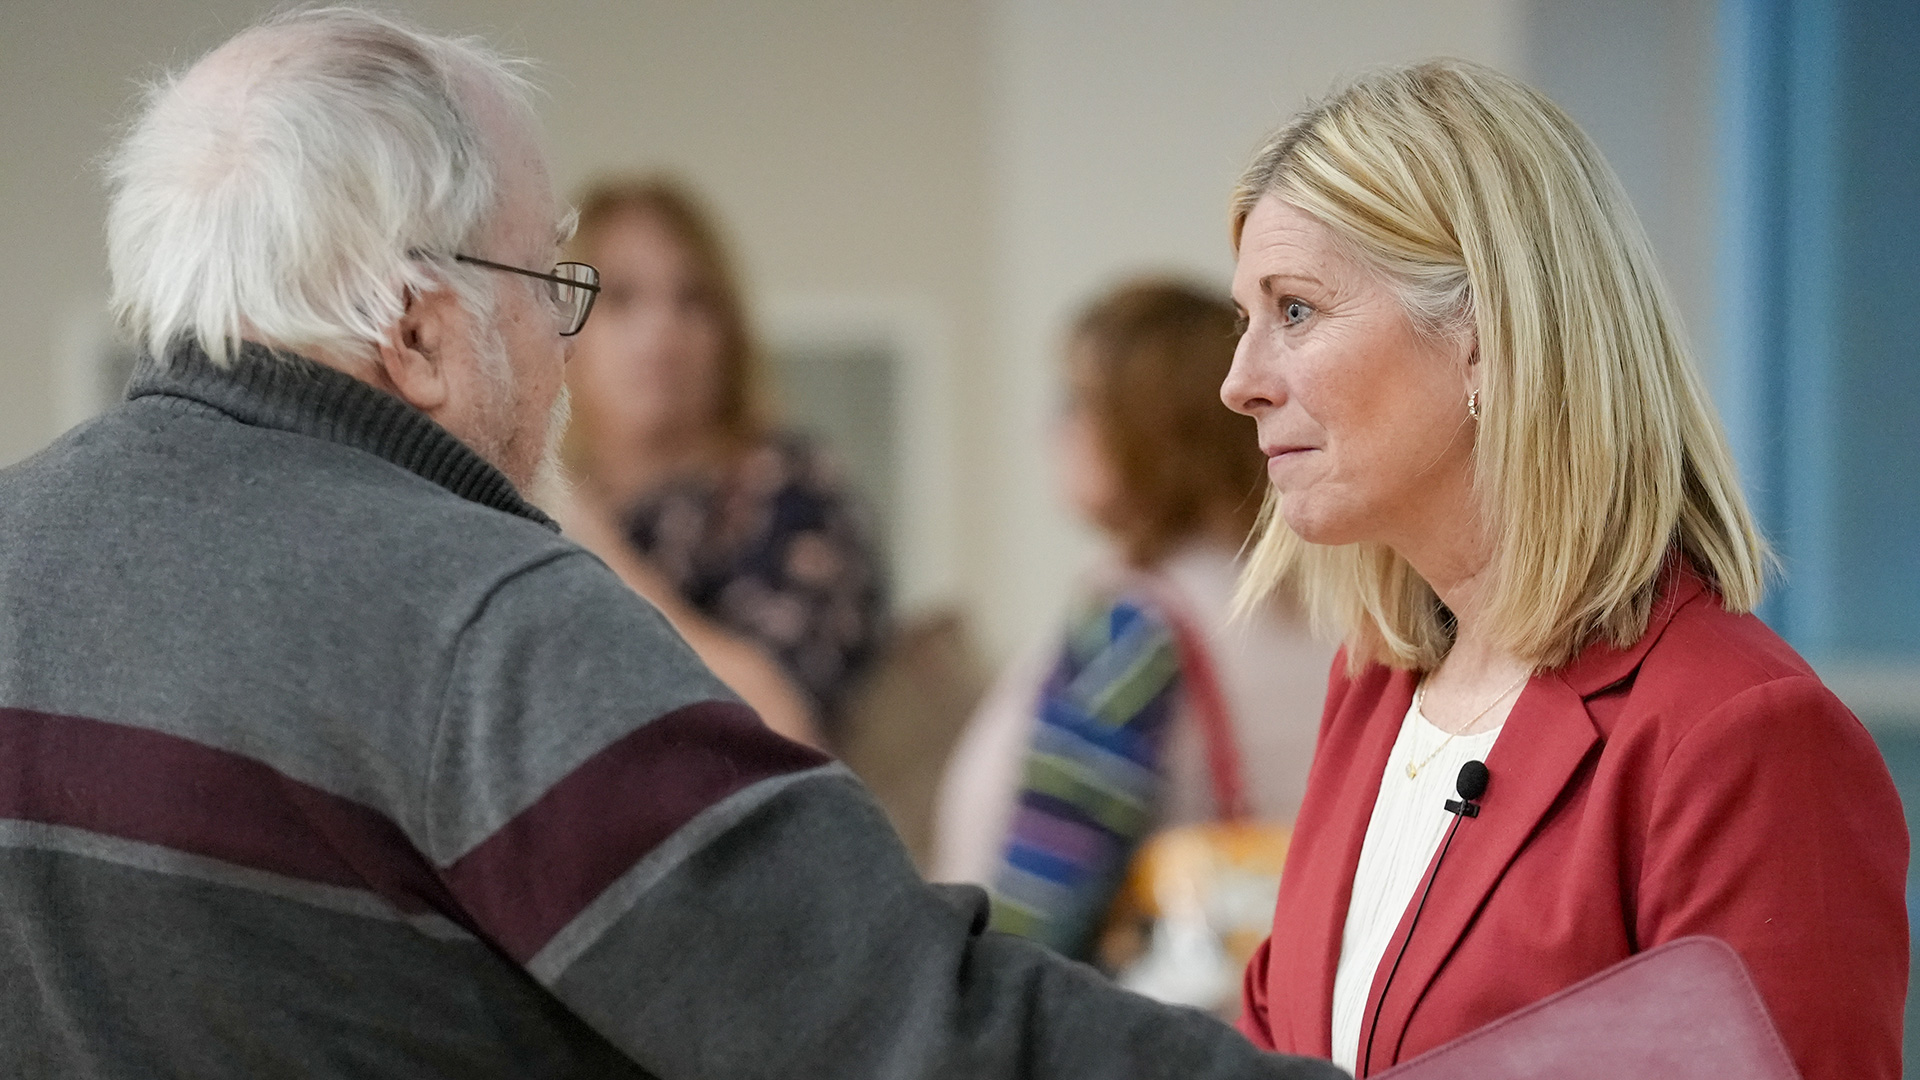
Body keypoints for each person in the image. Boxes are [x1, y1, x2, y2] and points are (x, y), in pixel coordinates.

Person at [0, 10, 1353, 1080]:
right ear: (416, 331)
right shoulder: (484, 620)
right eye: (552, 286)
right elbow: (902, 1029)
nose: (568, 347)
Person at [1219, 59, 1908, 1080]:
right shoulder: (1373, 693)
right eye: (1247, 318)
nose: (1240, 383)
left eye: (1297, 311)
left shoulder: (1737, 736)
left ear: (1488, 339)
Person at [933, 279, 1332, 964]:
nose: (1052, 428)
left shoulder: (1132, 628)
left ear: (1155, 424)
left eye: (1078, 401)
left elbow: (1038, 912)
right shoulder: (1328, 598)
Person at [551, 176, 886, 750]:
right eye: (622, 298)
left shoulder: (786, 490)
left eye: (693, 301)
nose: (661, 333)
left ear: (728, 332)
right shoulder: (537, 498)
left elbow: (783, 730)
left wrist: (595, 547)